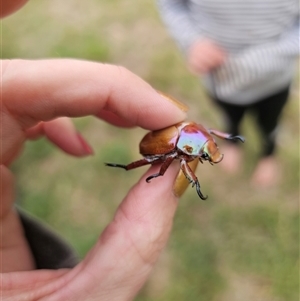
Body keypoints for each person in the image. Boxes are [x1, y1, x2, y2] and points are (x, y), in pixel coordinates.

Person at [1, 1, 189, 299]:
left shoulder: (185, 142)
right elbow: (164, 155)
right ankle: (127, 167)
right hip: (156, 147)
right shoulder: (177, 147)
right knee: (161, 164)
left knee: (167, 164)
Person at [156, 0, 299, 186]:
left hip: (274, 82)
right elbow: (172, 4)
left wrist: (259, 60)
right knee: (230, 118)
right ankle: (232, 143)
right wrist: (192, 41)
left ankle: (268, 154)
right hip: (221, 81)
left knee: (269, 124)